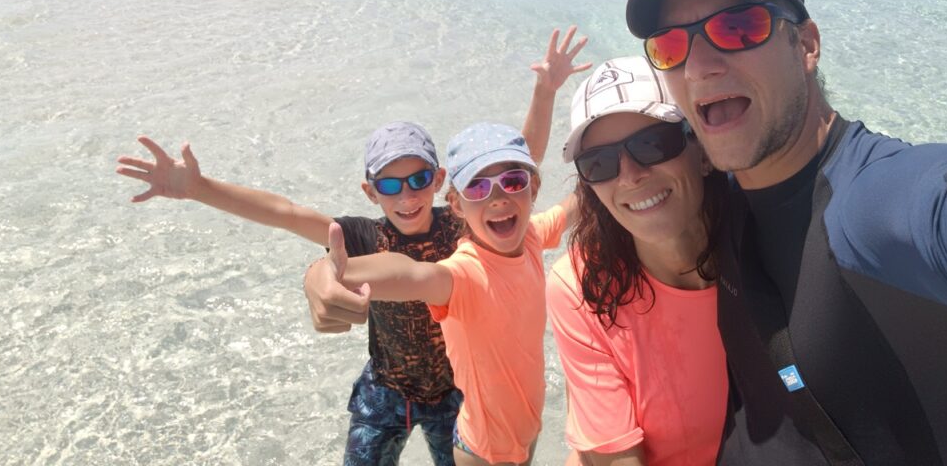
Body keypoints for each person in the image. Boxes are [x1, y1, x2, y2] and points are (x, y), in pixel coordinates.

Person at [625, 0, 947, 464]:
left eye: (737, 28)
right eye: (670, 47)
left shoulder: (870, 202)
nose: (697, 68)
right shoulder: (721, 189)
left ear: (806, 45)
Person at [117, 28, 589, 466]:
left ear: (440, 182)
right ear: (370, 192)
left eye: (419, 179)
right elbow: (288, 214)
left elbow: (513, 166)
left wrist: (545, 93)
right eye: (389, 184)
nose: (406, 196)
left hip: (452, 394)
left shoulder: (464, 227)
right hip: (386, 389)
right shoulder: (363, 236)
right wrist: (202, 190)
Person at [325, 122, 576, 466]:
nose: (499, 197)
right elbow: (412, 274)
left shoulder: (530, 236)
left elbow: (573, 206)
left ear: (532, 188)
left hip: (525, 432)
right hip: (482, 451)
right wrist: (340, 271)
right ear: (456, 205)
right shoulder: (464, 273)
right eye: (477, 187)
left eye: (512, 181)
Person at [547, 56, 729, 465]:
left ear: (701, 150)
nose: (629, 175)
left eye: (652, 144)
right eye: (599, 163)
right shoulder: (581, 287)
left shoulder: (758, 243)